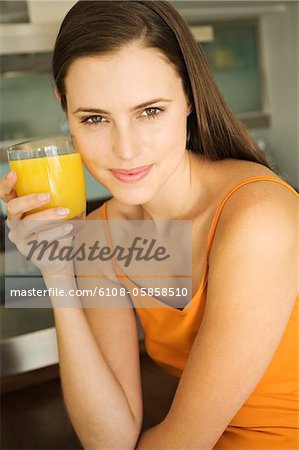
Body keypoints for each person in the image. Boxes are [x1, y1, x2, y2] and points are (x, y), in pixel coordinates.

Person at [1, 1, 298, 448]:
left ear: (189, 98)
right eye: (95, 118)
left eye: (150, 111)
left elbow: (187, 439)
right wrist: (57, 272)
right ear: (65, 109)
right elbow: (111, 439)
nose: (125, 149)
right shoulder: (103, 233)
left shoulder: (259, 217)